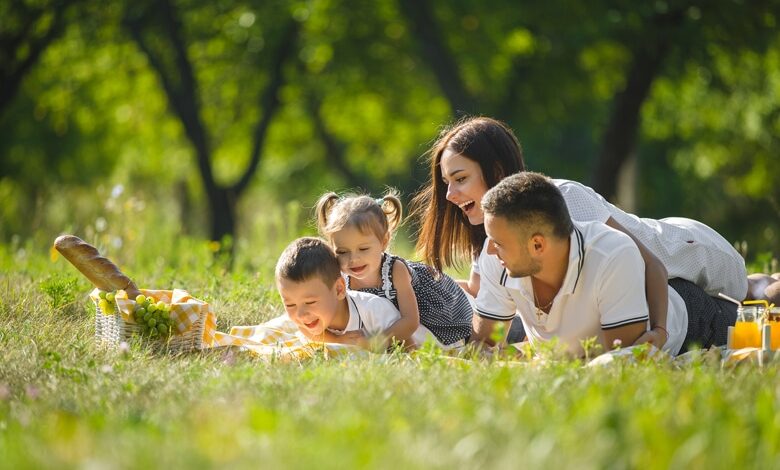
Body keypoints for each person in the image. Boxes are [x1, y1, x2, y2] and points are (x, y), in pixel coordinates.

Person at [411, 116, 752, 348]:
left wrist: (660, 331)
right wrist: (412, 286)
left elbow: (652, 265)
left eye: (460, 179)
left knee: (751, 294)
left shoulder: (563, 200)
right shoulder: (497, 235)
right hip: (643, 286)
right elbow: (481, 292)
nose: (450, 195)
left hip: (684, 251)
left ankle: (763, 282)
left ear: (496, 171)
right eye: (447, 182)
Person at [472, 172, 738, 356]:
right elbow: (484, 346)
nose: (490, 249)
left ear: (538, 245)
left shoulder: (611, 254)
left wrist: (660, 329)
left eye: (498, 243)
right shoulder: (497, 257)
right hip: (630, 287)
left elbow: (619, 360)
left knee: (752, 316)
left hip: (690, 318)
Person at [314, 190, 473, 348]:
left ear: (384, 242)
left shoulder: (396, 271)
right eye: (342, 252)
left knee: (427, 346)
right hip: (387, 324)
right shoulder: (340, 277)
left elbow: (410, 321)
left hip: (427, 318)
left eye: (363, 249)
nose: (353, 259)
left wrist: (376, 342)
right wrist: (338, 337)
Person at [275, 237, 436, 349]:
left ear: (339, 289)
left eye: (310, 302)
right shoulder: (307, 319)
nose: (301, 314)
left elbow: (408, 341)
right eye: (290, 304)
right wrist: (338, 339)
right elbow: (306, 331)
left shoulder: (373, 309)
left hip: (429, 339)